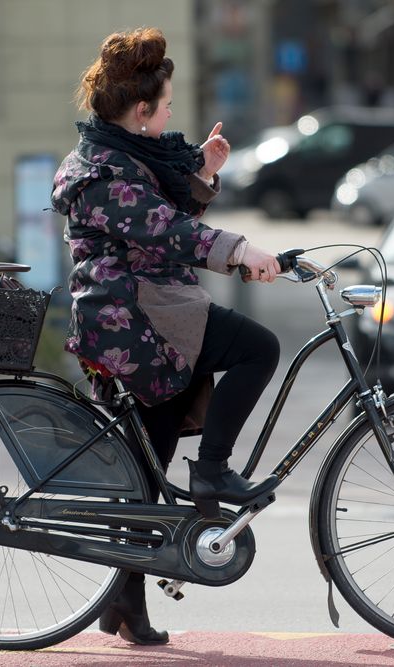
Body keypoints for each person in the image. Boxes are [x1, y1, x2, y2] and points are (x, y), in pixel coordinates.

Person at [51, 27, 283, 646]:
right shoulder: (101, 172)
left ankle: (125, 604)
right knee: (259, 348)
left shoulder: (128, 154)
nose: (174, 112)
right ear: (141, 109)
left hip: (148, 312)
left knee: (144, 474)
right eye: (168, 104)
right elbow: (165, 231)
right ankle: (213, 472)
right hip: (135, 319)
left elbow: (169, 218)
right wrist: (242, 252)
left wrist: (202, 173)